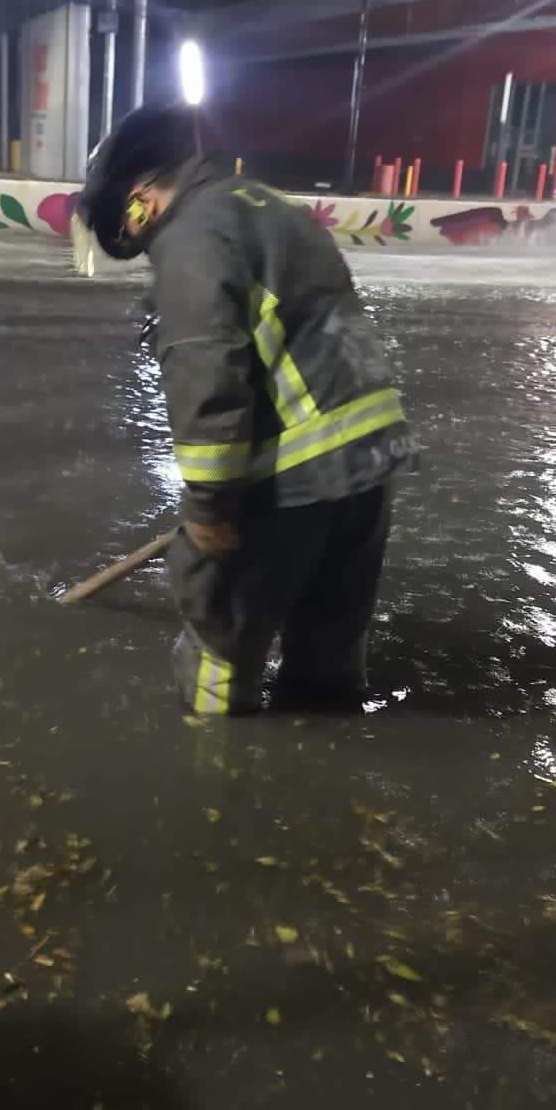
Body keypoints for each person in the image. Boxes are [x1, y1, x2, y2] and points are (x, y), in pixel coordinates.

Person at [79, 104, 417, 716]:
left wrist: (209, 507)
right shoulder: (264, 205)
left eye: (135, 237)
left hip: (295, 473)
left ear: (140, 200)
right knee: (331, 627)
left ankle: (216, 766)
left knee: (220, 629)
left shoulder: (191, 238)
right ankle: (327, 742)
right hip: (371, 457)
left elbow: (206, 374)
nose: (147, 248)